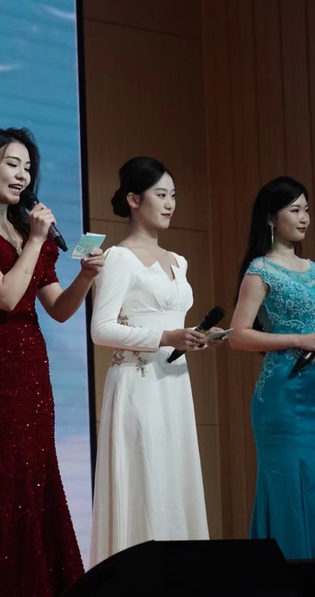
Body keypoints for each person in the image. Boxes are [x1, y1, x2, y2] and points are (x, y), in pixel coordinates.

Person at [0, 127, 102, 596]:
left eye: (28, 168)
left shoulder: (30, 234)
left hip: (32, 372)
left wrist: (86, 277)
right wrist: (35, 240)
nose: (22, 175)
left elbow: (59, 309)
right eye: (12, 164)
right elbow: (6, 297)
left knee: (35, 481)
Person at [89, 156, 219, 566]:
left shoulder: (178, 261)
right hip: (138, 384)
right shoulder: (118, 257)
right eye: (160, 195)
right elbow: (101, 330)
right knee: (145, 481)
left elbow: (171, 322)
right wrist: (164, 337)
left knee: (173, 482)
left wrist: (195, 336)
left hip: (174, 385)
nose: (169, 204)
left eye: (173, 195)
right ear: (133, 200)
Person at [230, 175, 315, 559]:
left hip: (314, 392)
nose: (304, 218)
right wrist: (297, 340)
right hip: (279, 394)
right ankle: (287, 576)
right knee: (286, 489)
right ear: (270, 217)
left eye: (306, 210)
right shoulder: (260, 270)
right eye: (294, 210)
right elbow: (239, 336)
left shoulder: (312, 268)